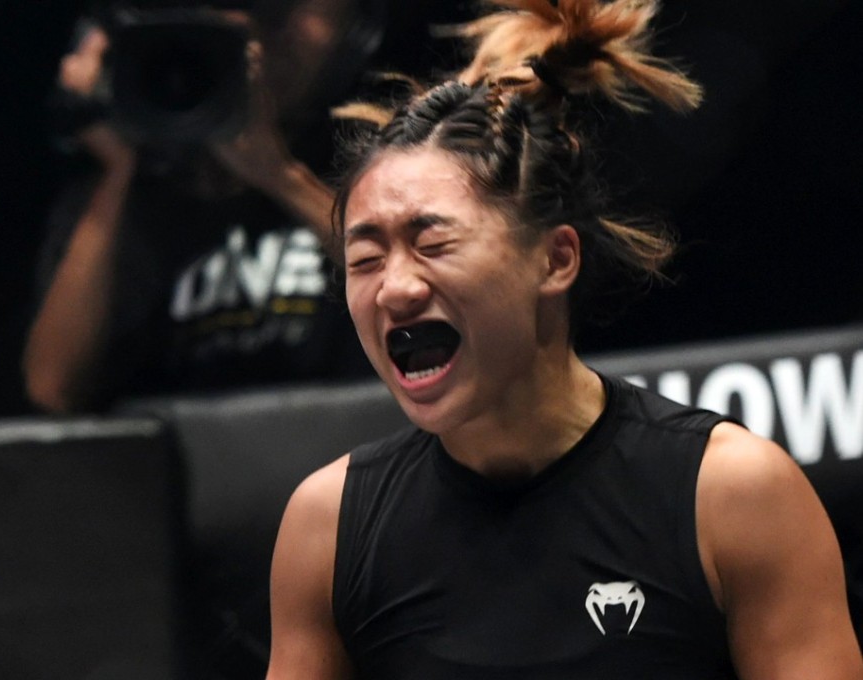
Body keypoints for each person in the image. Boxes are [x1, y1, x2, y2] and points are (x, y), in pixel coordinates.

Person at [265, 0, 863, 678]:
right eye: (365, 259)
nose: (394, 288)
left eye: (433, 244)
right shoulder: (328, 526)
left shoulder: (731, 493)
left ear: (555, 260)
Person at [22, 1, 377, 413]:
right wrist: (117, 168)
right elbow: (54, 388)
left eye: (273, 21)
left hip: (348, 431)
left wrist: (280, 176)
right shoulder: (123, 205)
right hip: (182, 447)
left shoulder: (363, 162)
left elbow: (414, 281)